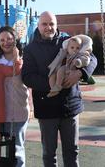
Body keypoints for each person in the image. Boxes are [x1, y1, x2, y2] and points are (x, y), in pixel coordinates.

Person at [21, 11, 97, 167]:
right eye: (44, 24)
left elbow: (92, 58)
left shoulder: (68, 40)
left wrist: (80, 73)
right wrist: (54, 83)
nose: (48, 27)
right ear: (38, 25)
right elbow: (27, 77)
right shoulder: (30, 49)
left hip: (70, 105)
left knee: (72, 151)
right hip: (46, 106)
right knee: (49, 154)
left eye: (51, 24)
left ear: (56, 25)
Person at [0, 26, 32, 167]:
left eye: (9, 38)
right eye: (2, 40)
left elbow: (29, 87)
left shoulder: (23, 62)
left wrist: (31, 107)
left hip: (19, 112)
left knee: (17, 149)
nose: (6, 42)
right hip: (0, 113)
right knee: (1, 149)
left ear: (15, 39)